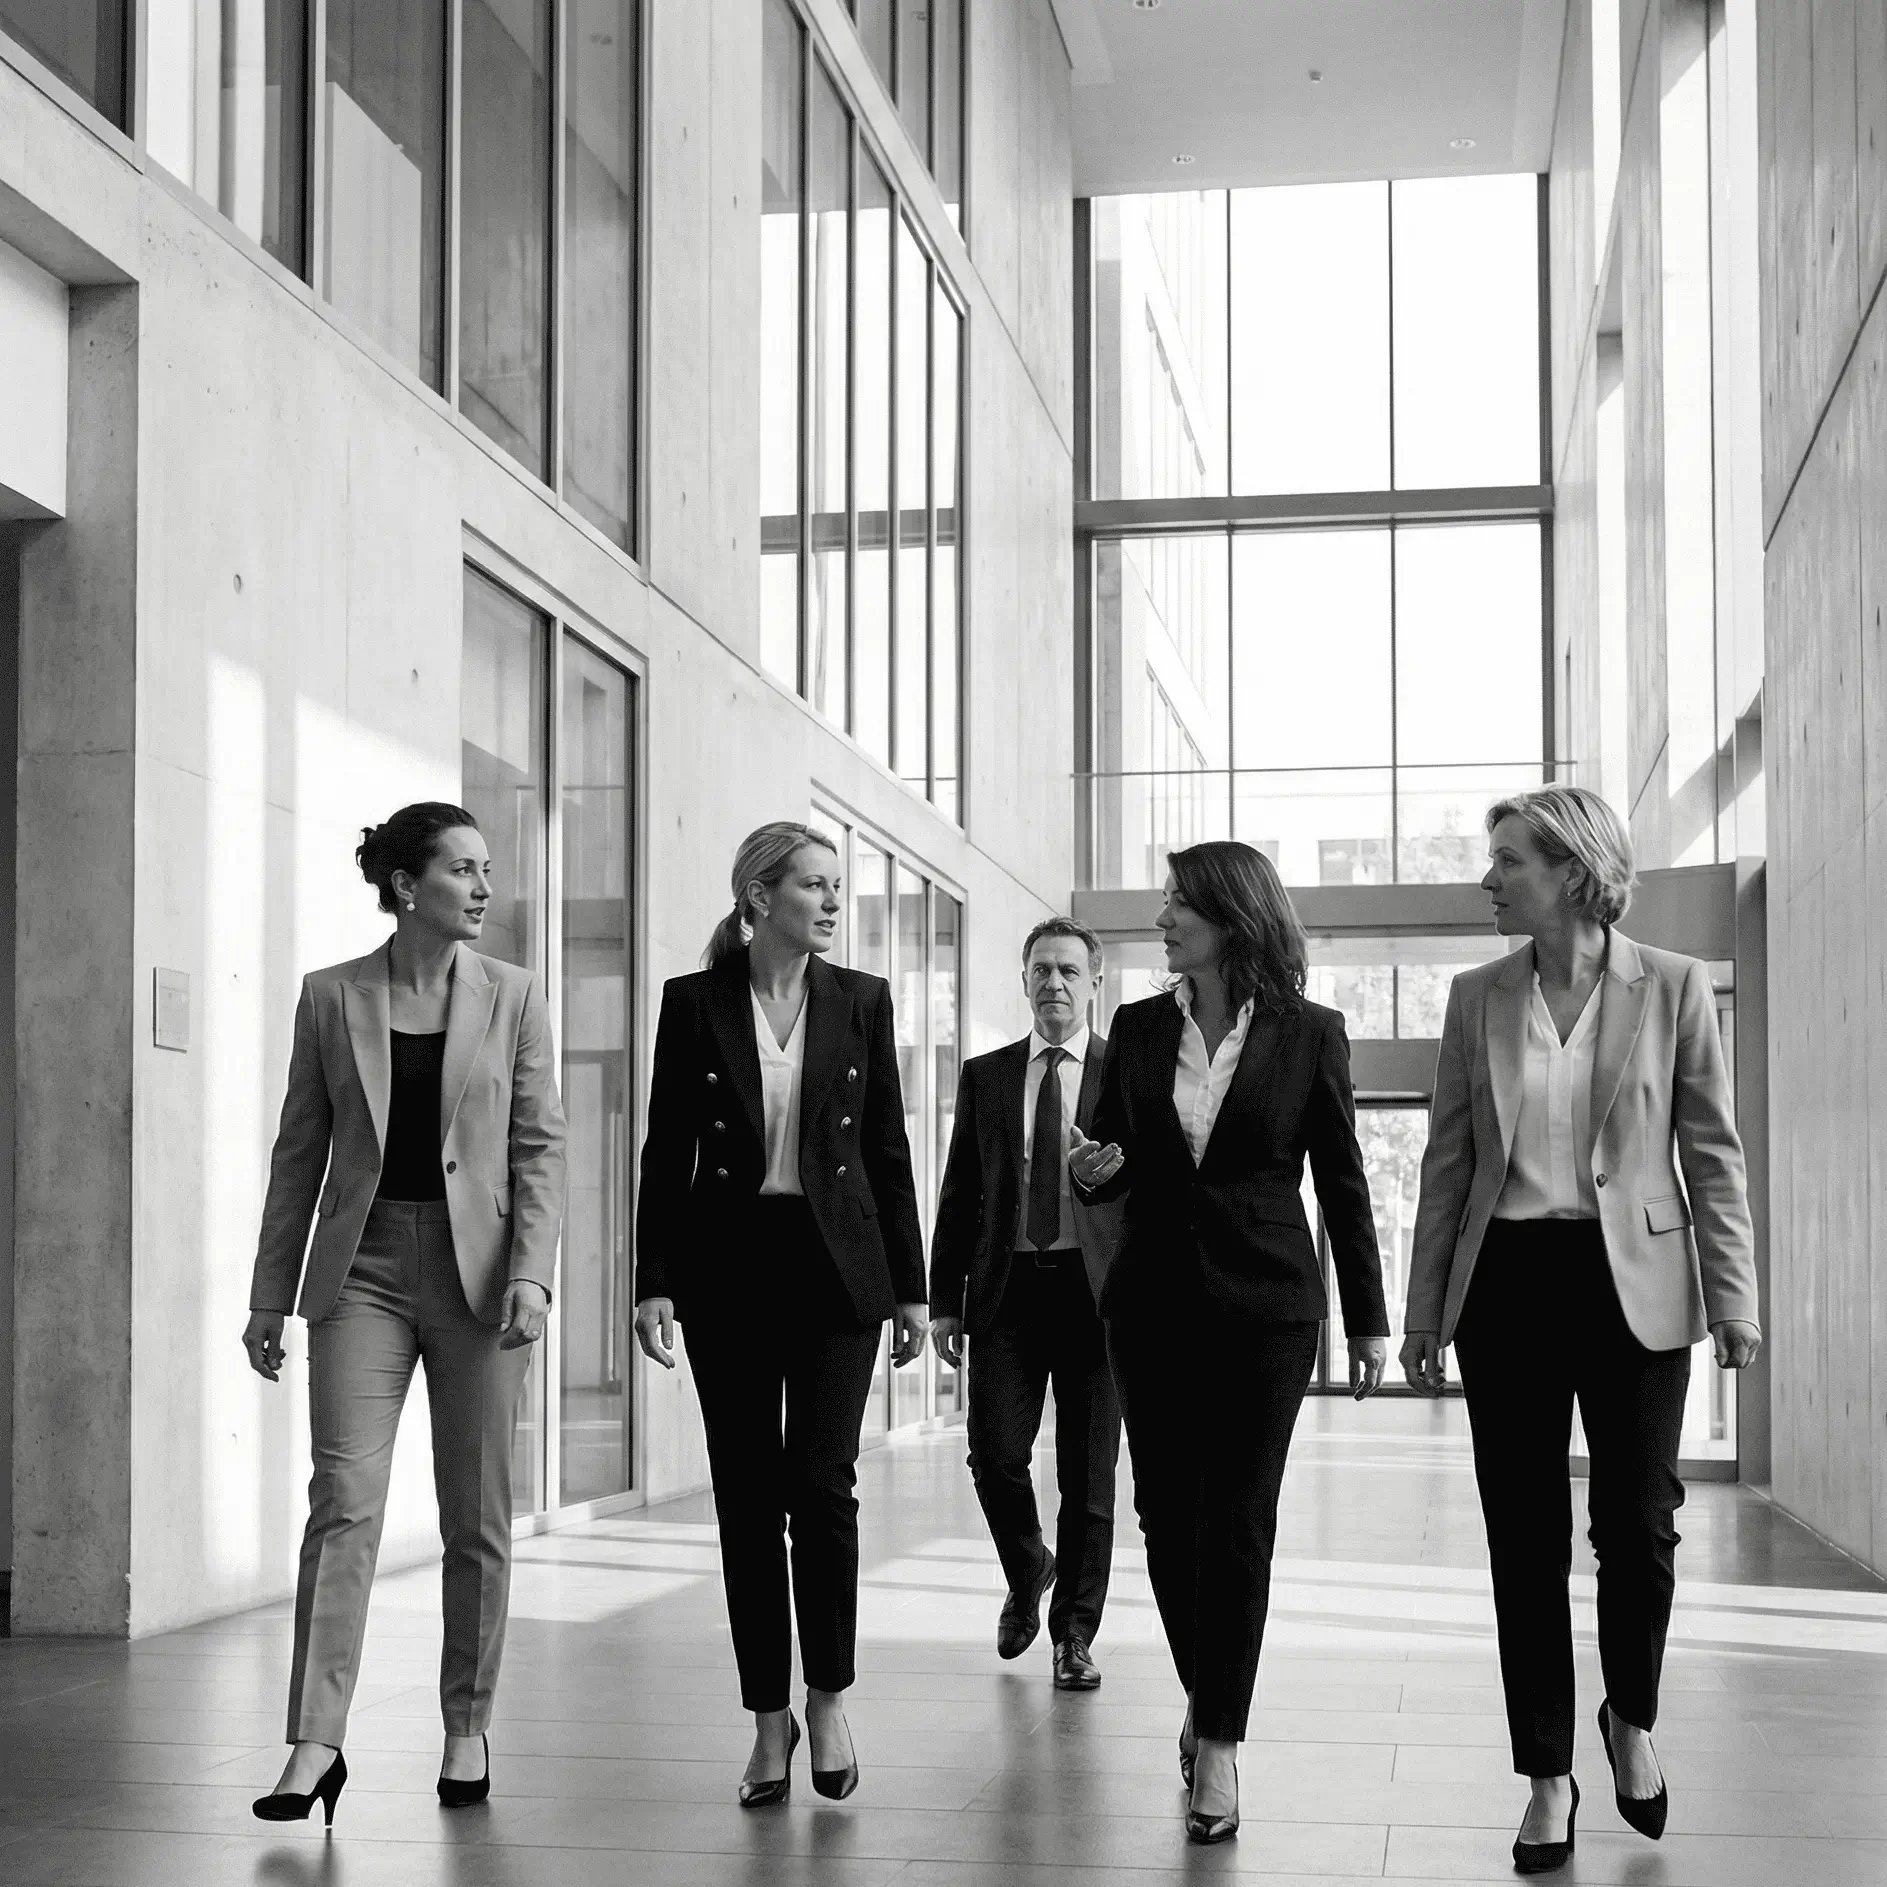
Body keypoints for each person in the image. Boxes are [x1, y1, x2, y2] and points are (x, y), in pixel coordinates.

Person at [1400, 784, 1761, 1875]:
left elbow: (1713, 1152)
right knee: (1523, 1537)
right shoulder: (1478, 996)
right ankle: (1547, 1774)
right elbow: (1449, 1163)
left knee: (1638, 1525)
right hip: (1508, 1282)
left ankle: (1630, 1717)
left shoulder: (1676, 986)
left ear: (1572, 871)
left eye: (1508, 859)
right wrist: (1426, 1312)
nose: (1490, 878)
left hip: (1635, 1283)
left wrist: (1734, 1295)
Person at [243, 802, 567, 1825]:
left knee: (476, 1513)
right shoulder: (331, 997)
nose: (484, 888)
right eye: (463, 870)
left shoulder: (514, 995)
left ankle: (466, 1725)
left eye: (485, 870)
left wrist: (533, 1272)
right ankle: (314, 1742)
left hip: (479, 1279)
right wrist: (269, 1293)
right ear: (405, 884)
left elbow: (539, 1148)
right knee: (342, 1500)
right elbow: (300, 1152)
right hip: (363, 1272)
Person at [1071, 839, 1388, 1844]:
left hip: (1268, 1304)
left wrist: (1371, 1318)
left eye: (1179, 907)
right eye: (1165, 905)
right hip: (1153, 1297)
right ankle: (1210, 1696)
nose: (1163, 922)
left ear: (1231, 917)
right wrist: (1092, 1172)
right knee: (1166, 1514)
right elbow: (1113, 1164)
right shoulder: (1129, 1028)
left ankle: (1218, 1743)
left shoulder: (1310, 1033)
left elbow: (1341, 1179)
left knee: (1240, 1517)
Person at [633, 821, 927, 1807]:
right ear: (759, 899)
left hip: (838, 1271)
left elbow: (888, 1147)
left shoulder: (862, 1002)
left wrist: (913, 1288)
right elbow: (664, 1149)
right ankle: (770, 1716)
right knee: (748, 1500)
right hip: (728, 1271)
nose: (834, 902)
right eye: (813, 885)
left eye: (838, 885)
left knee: (824, 1487)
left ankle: (831, 1696)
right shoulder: (693, 1003)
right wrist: (655, 1279)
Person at [929, 918, 1124, 1690]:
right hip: (1006, 1288)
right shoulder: (986, 1075)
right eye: (1040, 969)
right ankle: (1026, 1564)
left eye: (1068, 971)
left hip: (1094, 1294)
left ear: (1093, 983)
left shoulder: (1124, 1070)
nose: (1053, 983)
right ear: (1022, 980)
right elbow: (960, 1192)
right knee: (996, 1455)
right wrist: (945, 1299)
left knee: (1089, 1473)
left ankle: (1072, 1633)